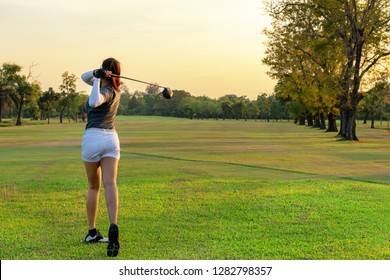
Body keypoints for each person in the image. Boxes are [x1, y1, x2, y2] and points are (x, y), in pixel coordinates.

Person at [81, 58, 121, 257]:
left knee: (93, 186)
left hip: (94, 137)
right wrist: (97, 73)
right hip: (111, 139)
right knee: (111, 184)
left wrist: (98, 78)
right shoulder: (116, 88)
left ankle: (92, 233)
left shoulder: (105, 90)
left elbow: (93, 101)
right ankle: (113, 225)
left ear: (107, 71)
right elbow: (83, 76)